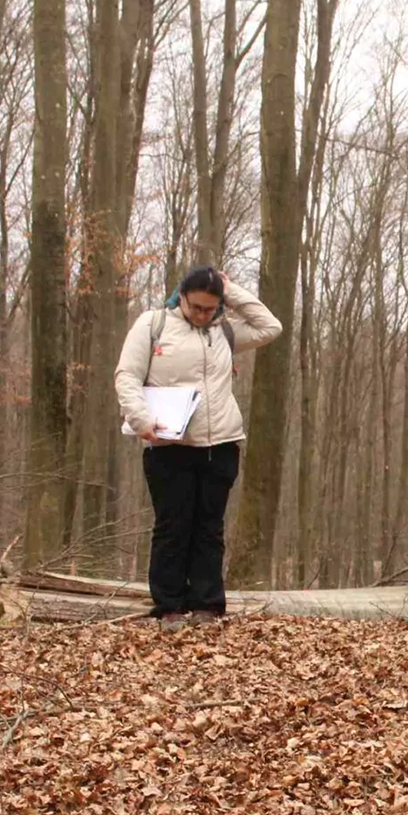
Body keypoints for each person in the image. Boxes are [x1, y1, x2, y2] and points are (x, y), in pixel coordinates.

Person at [115, 266, 282, 629]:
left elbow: (270, 327)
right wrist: (141, 419)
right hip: (168, 443)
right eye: (196, 308)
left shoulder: (223, 331)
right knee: (173, 525)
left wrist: (230, 288)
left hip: (220, 443)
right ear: (182, 298)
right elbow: (126, 375)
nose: (202, 315)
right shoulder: (153, 324)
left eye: (210, 308)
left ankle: (207, 604)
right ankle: (168, 606)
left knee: (210, 527)